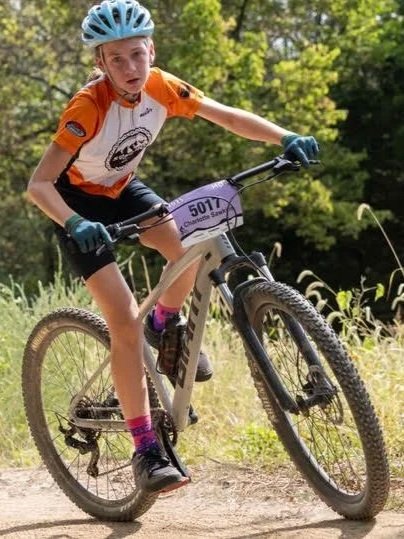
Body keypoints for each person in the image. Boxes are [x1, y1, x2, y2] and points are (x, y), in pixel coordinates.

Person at [27, 0, 320, 494]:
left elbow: (225, 116)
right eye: (116, 59)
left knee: (185, 249)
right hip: (74, 206)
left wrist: (284, 136)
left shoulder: (161, 87)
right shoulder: (87, 107)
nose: (130, 67)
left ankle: (164, 327)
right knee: (122, 320)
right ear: (100, 63)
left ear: (152, 51)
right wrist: (75, 221)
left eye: (137, 54)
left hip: (123, 190)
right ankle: (146, 449)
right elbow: (38, 185)